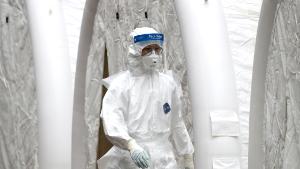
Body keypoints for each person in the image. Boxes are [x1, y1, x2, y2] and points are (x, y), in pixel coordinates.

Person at [98, 27, 194, 169]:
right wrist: (131, 145)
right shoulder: (121, 85)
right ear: (136, 51)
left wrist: (187, 156)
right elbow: (112, 118)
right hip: (132, 158)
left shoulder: (168, 84)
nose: (154, 54)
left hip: (164, 158)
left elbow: (177, 122)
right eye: (148, 49)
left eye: (157, 49)